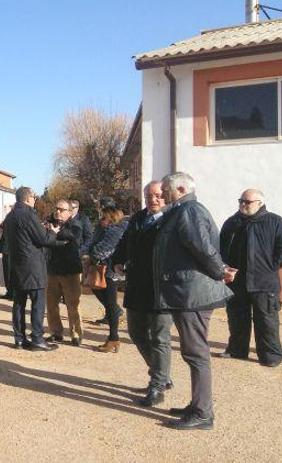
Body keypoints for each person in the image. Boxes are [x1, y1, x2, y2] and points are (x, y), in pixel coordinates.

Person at [153, 172, 234, 430]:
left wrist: (220, 271)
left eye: (165, 189)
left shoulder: (190, 211)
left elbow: (202, 248)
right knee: (193, 352)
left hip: (193, 294)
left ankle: (202, 413)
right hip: (186, 292)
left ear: (180, 188)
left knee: (196, 353)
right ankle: (197, 404)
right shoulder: (181, 211)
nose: (162, 194)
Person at [113, 180, 173, 407]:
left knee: (159, 337)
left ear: (166, 196)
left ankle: (157, 385)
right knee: (136, 332)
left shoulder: (172, 219)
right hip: (137, 286)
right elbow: (125, 242)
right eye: (149, 195)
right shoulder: (138, 218)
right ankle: (161, 374)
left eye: (157, 195)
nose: (153, 199)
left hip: (162, 289)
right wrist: (118, 260)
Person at [218, 188, 282, 367]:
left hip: (264, 283)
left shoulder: (275, 222)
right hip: (237, 282)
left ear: (260, 203)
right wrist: (225, 266)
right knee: (237, 318)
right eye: (240, 201)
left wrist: (273, 264)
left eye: (247, 202)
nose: (243, 205)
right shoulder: (232, 223)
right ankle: (237, 350)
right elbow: (221, 247)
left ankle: (270, 357)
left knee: (266, 321)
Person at [2, 187, 64, 351]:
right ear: (28, 198)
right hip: (32, 266)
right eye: (34, 197)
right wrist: (53, 232)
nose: (35, 200)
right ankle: (37, 338)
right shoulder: (28, 214)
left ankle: (19, 339)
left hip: (16, 265)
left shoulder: (10, 216)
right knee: (37, 303)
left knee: (19, 304)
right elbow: (43, 239)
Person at [82, 199, 127, 353]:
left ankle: (113, 338)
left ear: (111, 217)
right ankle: (114, 328)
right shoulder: (102, 228)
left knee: (110, 304)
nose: (101, 219)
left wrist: (91, 255)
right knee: (105, 299)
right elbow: (91, 242)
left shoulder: (115, 231)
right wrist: (86, 252)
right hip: (99, 267)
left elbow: (103, 249)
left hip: (109, 270)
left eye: (104, 216)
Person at [44, 199, 85, 346]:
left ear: (69, 212)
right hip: (53, 270)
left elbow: (71, 237)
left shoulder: (75, 225)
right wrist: (51, 232)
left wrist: (54, 233)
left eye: (62, 209)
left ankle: (76, 334)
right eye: (57, 209)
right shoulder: (51, 224)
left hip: (70, 271)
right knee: (51, 303)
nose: (58, 212)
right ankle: (56, 332)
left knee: (73, 304)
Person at [0, 216, 13, 300]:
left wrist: (0, 224)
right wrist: (0, 224)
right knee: (7, 272)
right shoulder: (11, 216)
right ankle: (9, 292)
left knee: (10, 272)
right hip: (7, 249)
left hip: (10, 249)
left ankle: (12, 293)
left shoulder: (15, 217)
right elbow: (5, 226)